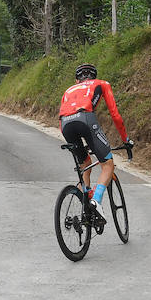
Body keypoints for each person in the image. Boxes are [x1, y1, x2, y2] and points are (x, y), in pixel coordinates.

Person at [58, 63, 131, 228]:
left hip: (65, 125)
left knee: (85, 163)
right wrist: (126, 140)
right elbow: (115, 115)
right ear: (94, 77)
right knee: (108, 164)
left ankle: (84, 196)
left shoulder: (69, 90)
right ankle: (96, 201)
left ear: (77, 79)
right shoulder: (102, 84)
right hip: (85, 119)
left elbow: (63, 113)